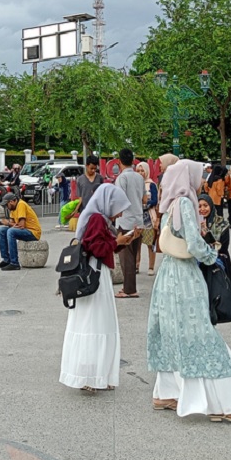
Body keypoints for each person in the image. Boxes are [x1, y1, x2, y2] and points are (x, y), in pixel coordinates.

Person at [147, 160, 231, 422]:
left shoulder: (171, 202)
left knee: (172, 333)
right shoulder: (185, 201)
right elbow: (194, 244)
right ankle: (222, 406)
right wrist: (212, 255)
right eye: (197, 174)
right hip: (184, 275)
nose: (201, 179)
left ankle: (166, 393)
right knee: (202, 335)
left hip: (168, 274)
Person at [60, 184, 132, 394]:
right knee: (95, 324)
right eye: (118, 207)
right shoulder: (98, 219)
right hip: (94, 275)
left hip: (96, 273)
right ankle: (90, 375)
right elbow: (96, 248)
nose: (120, 213)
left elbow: (103, 244)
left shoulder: (99, 218)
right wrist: (116, 242)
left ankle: (96, 375)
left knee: (94, 324)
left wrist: (122, 241)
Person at [114, 149, 145, 298]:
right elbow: (144, 198)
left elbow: (120, 199)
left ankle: (129, 289)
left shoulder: (121, 178)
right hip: (138, 218)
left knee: (126, 256)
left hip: (125, 220)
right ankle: (129, 287)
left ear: (119, 161)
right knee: (133, 254)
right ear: (133, 160)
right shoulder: (139, 177)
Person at [198, 193, 231, 293]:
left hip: (217, 257)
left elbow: (223, 247)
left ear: (211, 206)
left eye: (205, 205)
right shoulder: (192, 223)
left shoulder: (221, 223)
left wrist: (207, 234)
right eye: (199, 206)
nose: (202, 209)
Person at [0, 192, 41, 271]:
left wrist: (9, 223)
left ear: (12, 201)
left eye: (7, 204)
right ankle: (6, 259)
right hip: (24, 230)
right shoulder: (12, 209)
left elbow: (21, 225)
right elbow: (14, 224)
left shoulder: (21, 205)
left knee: (11, 232)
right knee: (2, 231)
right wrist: (10, 224)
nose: (6, 207)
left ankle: (14, 263)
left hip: (33, 232)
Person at [137, 162, 159, 276]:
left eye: (142, 170)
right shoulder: (135, 183)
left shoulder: (151, 185)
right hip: (137, 217)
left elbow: (155, 200)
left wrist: (145, 204)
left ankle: (151, 267)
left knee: (150, 244)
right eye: (138, 171)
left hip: (149, 218)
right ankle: (136, 265)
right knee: (137, 243)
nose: (140, 173)